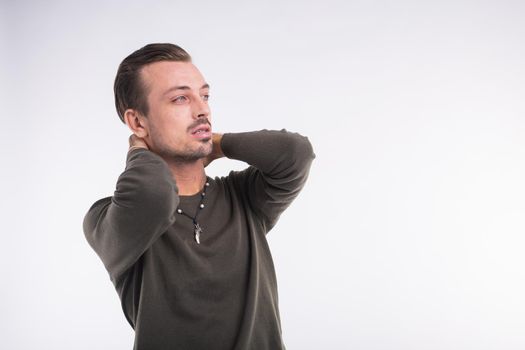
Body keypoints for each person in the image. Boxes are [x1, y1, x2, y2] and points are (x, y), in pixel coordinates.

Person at [82, 43, 315, 350]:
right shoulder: (111, 219)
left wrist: (215, 144)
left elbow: (295, 153)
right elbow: (153, 195)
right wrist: (137, 146)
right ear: (138, 122)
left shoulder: (244, 198)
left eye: (204, 96)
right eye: (180, 98)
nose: (202, 109)